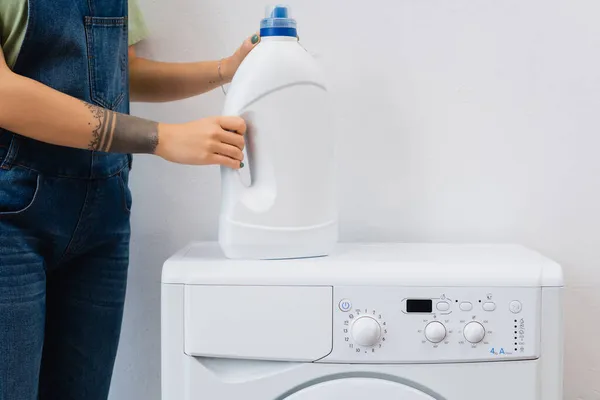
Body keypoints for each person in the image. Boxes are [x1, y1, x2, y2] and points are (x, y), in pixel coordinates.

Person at [0, 0, 258, 398]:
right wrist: (161, 137)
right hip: (10, 225)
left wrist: (226, 69)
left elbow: (122, 73)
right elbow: (5, 94)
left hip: (103, 220)